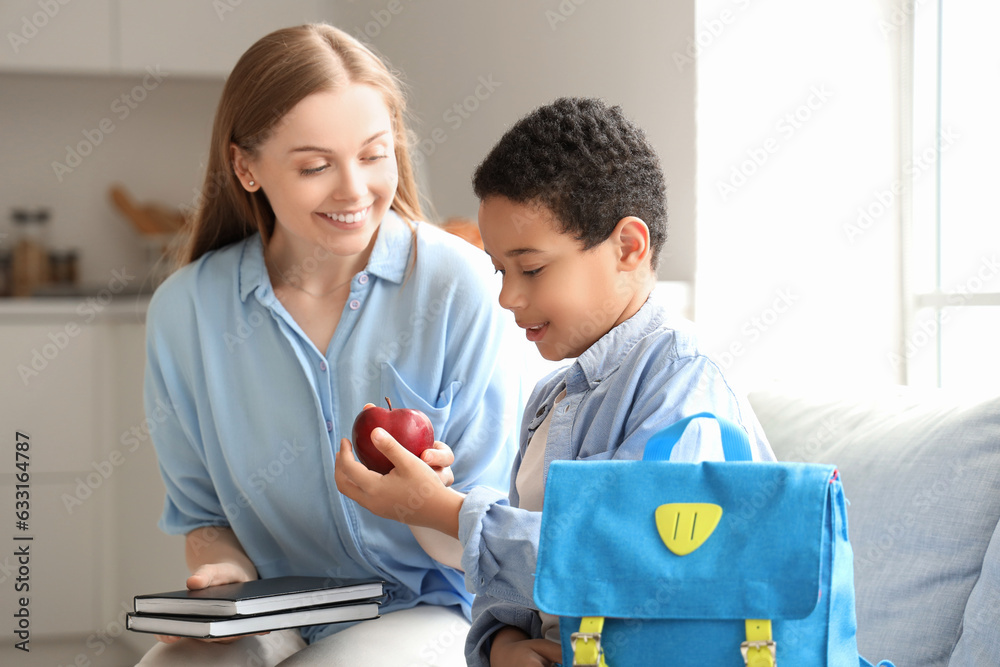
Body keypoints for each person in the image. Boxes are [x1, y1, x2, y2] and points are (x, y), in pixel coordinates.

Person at [335, 97, 776, 667]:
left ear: (628, 247)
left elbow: (634, 561)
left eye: (532, 269)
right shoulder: (553, 400)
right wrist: (503, 643)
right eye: (500, 269)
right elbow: (524, 586)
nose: (507, 298)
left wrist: (447, 511)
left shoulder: (683, 387)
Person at [136, 23, 523, 667]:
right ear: (246, 167)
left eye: (374, 154)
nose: (353, 190)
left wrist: (425, 505)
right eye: (315, 166)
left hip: (431, 604)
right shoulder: (187, 313)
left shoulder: (458, 285)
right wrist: (223, 582)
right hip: (283, 606)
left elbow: (489, 531)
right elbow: (204, 517)